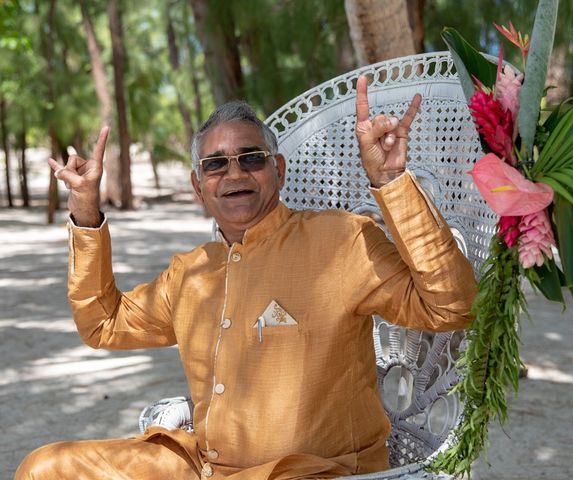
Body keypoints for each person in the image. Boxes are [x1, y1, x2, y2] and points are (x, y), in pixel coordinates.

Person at [16, 76, 476, 479]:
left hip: (314, 472)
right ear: (200, 187)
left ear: (277, 170)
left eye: (250, 158)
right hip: (202, 466)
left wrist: (392, 180)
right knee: (44, 469)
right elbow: (102, 323)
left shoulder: (342, 240)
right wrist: (84, 209)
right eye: (215, 164)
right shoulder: (191, 272)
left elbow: (453, 305)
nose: (233, 172)